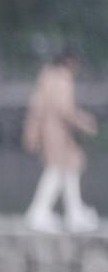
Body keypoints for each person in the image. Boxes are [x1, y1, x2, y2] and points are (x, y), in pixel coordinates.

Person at [23, 53, 98, 232]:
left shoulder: (47, 77)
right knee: (57, 170)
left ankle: (73, 211)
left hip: (53, 131)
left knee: (68, 168)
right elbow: (65, 109)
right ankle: (40, 213)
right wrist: (85, 122)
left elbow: (37, 107)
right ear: (70, 63)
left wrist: (32, 130)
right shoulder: (62, 80)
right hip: (57, 132)